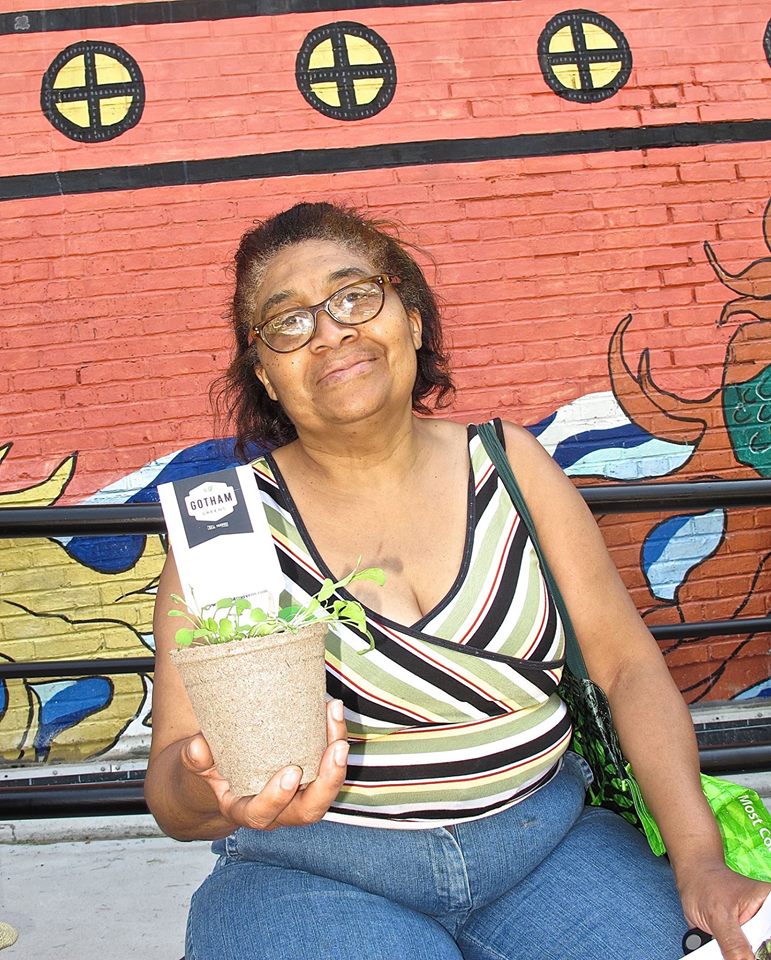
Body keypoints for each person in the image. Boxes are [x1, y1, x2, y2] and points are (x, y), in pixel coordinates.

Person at [145, 202, 769, 960]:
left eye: (354, 296)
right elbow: (173, 786)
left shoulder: (510, 465)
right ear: (265, 375)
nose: (330, 332)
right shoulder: (225, 524)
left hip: (549, 848)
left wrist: (699, 859)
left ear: (411, 318)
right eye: (289, 322)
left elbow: (626, 667)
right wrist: (210, 791)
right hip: (311, 874)